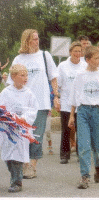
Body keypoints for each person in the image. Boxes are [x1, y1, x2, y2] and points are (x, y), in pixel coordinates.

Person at [8, 29, 60, 179]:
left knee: (36, 135)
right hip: (22, 104)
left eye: (38, 39)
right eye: (33, 39)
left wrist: (56, 96)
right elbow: (11, 82)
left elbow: (53, 78)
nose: (37, 42)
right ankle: (24, 163)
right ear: (26, 41)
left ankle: (32, 165)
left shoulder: (45, 56)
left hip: (41, 103)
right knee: (23, 135)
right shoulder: (19, 59)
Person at [68, 46, 99, 189]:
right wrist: (71, 115)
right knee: (83, 145)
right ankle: (85, 176)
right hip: (83, 111)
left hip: (98, 112)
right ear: (87, 60)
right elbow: (74, 97)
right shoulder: (80, 76)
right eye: (96, 58)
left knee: (98, 146)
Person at [0, 64, 38, 193]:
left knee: (17, 155)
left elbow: (33, 110)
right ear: (13, 76)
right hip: (8, 129)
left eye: (26, 75)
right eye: (22, 75)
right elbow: (2, 108)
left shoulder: (29, 94)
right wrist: (9, 118)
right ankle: (16, 174)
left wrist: (23, 119)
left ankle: (17, 181)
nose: (25, 78)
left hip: (21, 130)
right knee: (8, 156)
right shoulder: (6, 93)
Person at [57, 41, 86, 164]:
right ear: (70, 52)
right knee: (66, 130)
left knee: (81, 130)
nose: (77, 54)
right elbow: (58, 85)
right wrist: (57, 98)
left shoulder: (85, 65)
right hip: (66, 103)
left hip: (81, 104)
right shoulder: (63, 66)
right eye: (75, 51)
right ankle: (64, 155)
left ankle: (81, 154)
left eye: (80, 51)